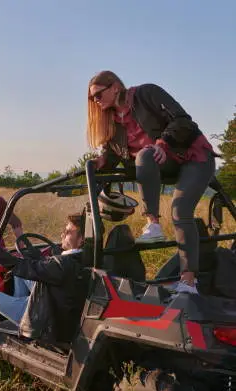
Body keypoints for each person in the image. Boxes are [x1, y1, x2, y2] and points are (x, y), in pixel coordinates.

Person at [87, 70, 218, 294]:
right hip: (162, 162)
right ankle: (154, 225)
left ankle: (188, 282)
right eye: (92, 99)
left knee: (180, 210)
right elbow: (113, 154)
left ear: (115, 87)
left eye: (98, 95)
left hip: (192, 156)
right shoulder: (113, 123)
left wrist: (162, 143)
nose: (95, 101)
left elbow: (183, 121)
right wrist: (100, 162)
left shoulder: (146, 94)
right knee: (145, 156)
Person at [0, 210, 88, 343]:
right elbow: (47, 269)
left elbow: (15, 265)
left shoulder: (62, 265)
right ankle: (16, 307)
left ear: (82, 239)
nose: (62, 234)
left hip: (42, 317)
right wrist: (37, 257)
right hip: (54, 302)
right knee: (20, 275)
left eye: (68, 231)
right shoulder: (83, 258)